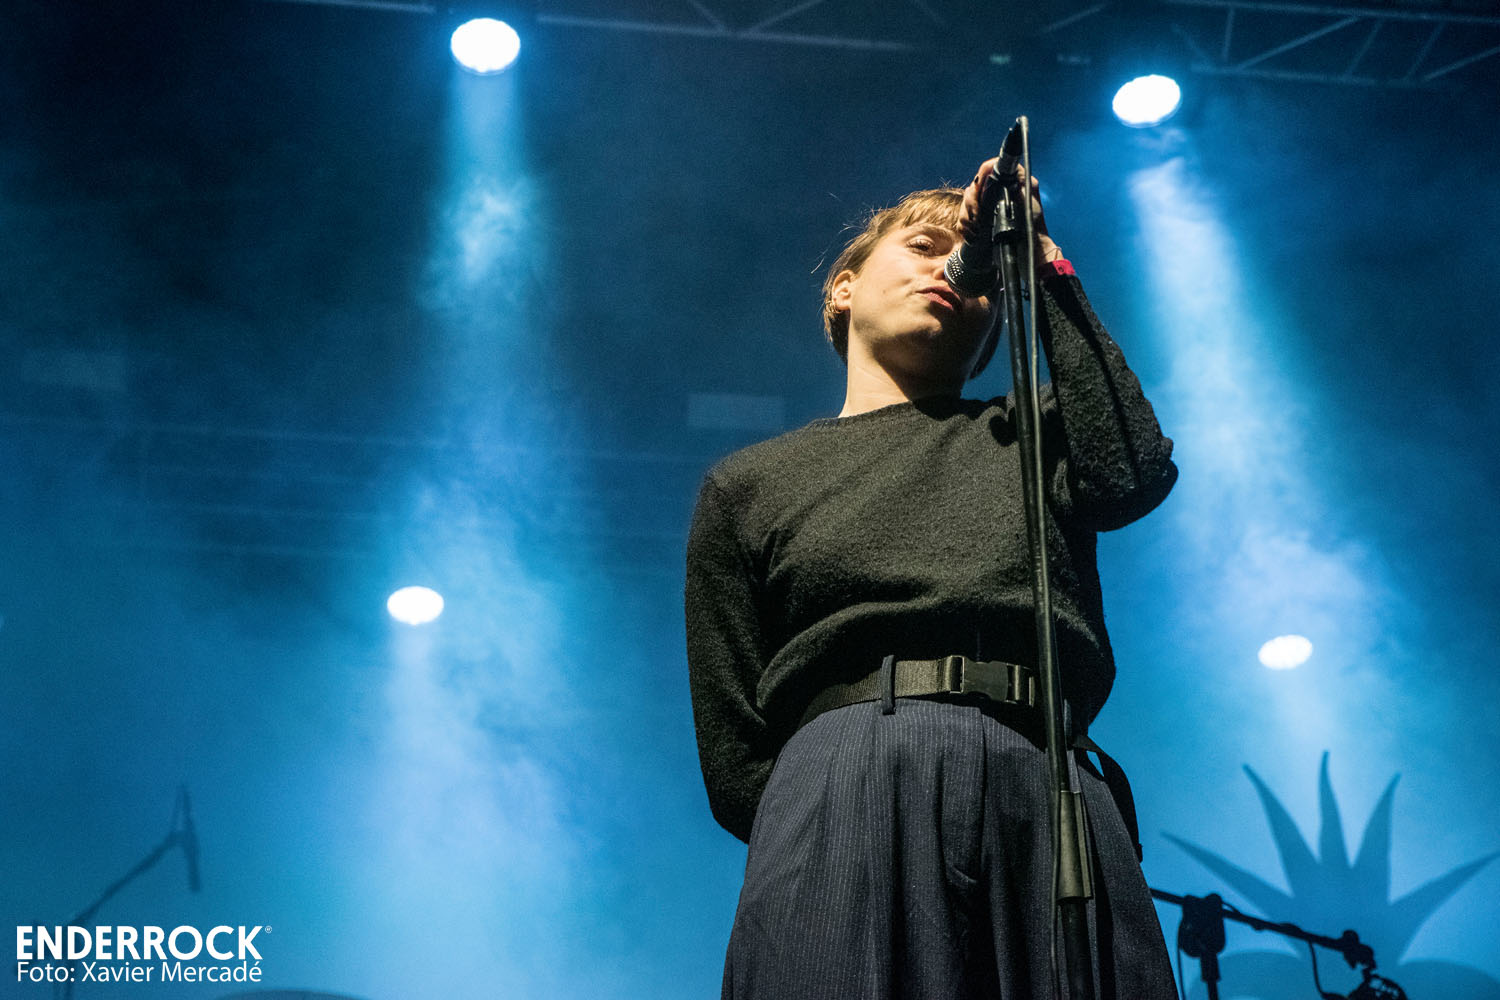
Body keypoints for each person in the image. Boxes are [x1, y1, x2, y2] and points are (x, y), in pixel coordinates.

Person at [684, 156, 1180, 999]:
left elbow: (1131, 473)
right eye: (921, 247)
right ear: (843, 290)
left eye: (973, 268)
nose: (950, 272)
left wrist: (1036, 261)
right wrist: (829, 813)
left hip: (1044, 769)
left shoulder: (1029, 433)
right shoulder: (749, 484)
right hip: (846, 777)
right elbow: (735, 754)